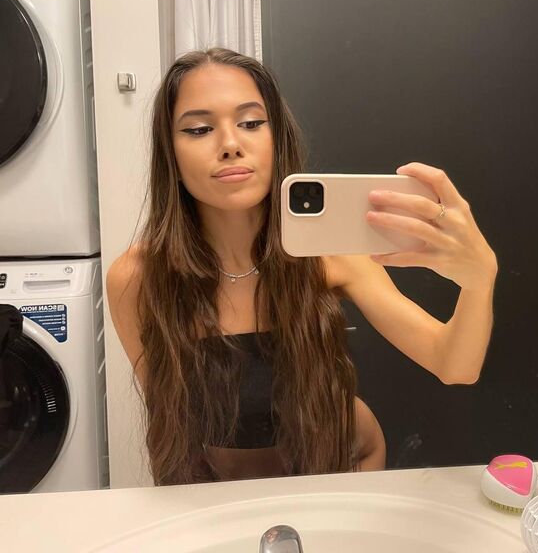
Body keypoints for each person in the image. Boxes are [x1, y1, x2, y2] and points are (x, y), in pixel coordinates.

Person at [106, 48, 497, 486]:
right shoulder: (138, 279)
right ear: (171, 157)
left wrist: (479, 279)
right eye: (199, 129)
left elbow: (454, 364)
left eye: (251, 123)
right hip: (213, 490)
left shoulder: (330, 254)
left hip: (341, 468)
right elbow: (168, 414)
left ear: (278, 139)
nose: (230, 144)